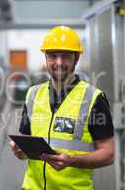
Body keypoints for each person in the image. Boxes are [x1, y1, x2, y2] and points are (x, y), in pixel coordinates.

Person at [10, 26, 115, 190]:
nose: (59, 62)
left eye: (65, 56)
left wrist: (72, 160)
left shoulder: (93, 98)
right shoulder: (33, 94)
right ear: (46, 58)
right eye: (53, 56)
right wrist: (20, 151)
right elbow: (26, 147)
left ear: (76, 58)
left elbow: (108, 154)